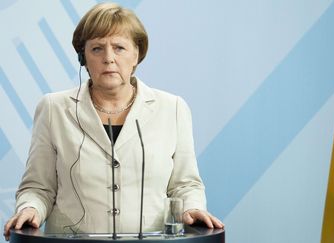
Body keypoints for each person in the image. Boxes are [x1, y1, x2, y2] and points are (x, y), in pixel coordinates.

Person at [3, 2, 223, 240]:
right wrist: (30, 208)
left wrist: (193, 208)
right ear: (83, 58)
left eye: (119, 48)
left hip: (152, 240)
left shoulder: (173, 108)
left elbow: (185, 184)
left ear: (136, 54)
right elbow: (38, 187)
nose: (108, 58)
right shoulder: (53, 108)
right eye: (97, 48)